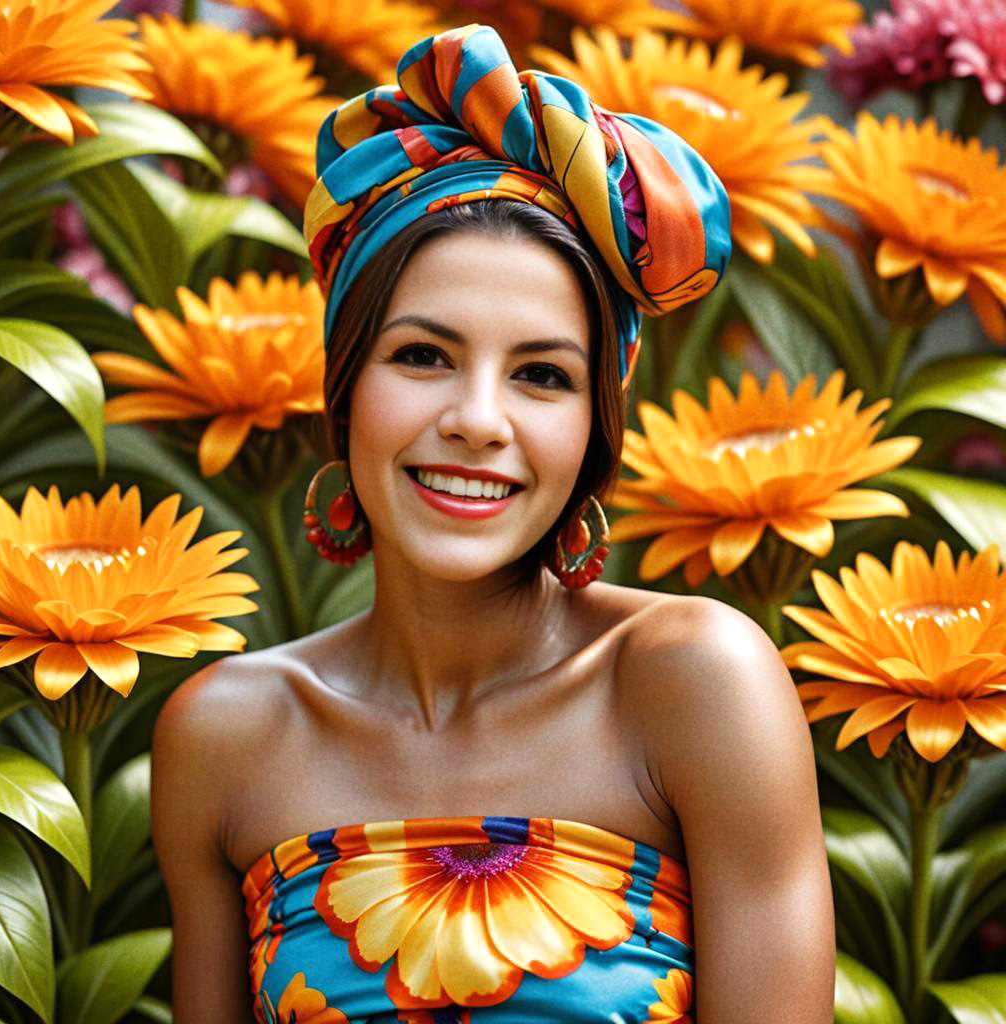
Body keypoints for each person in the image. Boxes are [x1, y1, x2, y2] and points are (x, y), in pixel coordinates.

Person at [151, 24, 835, 1024]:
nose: (476, 419)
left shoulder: (695, 685)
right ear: (344, 390)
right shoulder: (224, 736)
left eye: (542, 375)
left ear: (596, 422)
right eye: (423, 355)